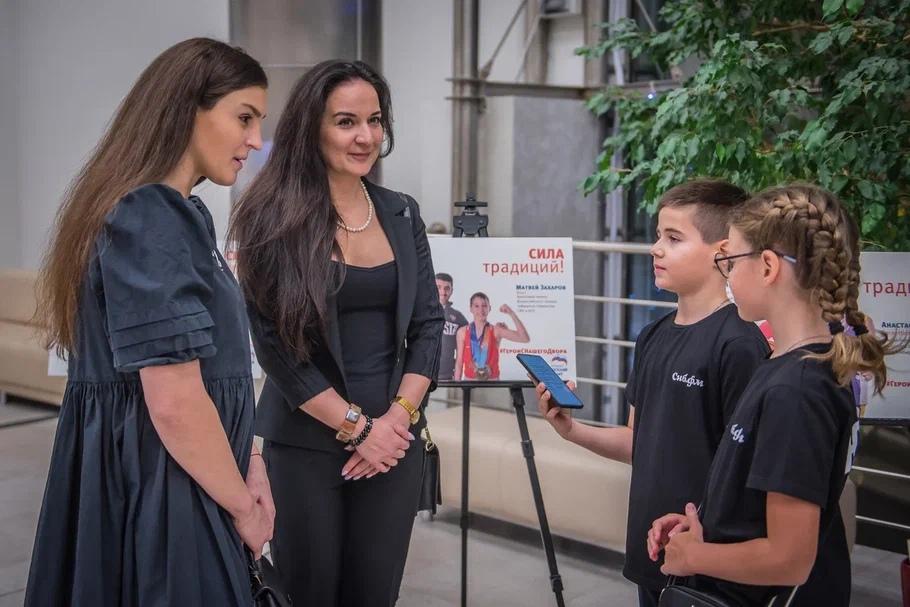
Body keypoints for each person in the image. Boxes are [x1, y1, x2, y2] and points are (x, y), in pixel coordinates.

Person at [27, 38, 273, 605]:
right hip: (168, 490)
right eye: (244, 118)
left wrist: (252, 464)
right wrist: (244, 508)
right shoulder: (150, 215)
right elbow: (174, 401)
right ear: (189, 107)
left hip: (187, 476)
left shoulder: (174, 212)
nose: (255, 141)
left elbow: (213, 373)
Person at [228, 60, 444, 606]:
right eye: (346, 121)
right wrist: (357, 429)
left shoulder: (400, 212)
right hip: (305, 443)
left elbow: (427, 325)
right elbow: (276, 349)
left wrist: (395, 423)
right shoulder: (270, 217)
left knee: (375, 594)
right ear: (312, 127)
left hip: (393, 448)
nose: (366, 136)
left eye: (375, 120)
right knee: (309, 593)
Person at [649, 183, 904, 606]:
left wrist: (697, 555)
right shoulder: (796, 367)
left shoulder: (797, 391)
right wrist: (708, 527)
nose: (726, 273)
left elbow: (789, 558)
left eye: (730, 260)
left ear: (767, 267)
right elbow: (763, 510)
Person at [535, 179, 769, 607]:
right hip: (653, 550)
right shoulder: (652, 337)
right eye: (658, 235)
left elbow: (747, 471)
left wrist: (707, 544)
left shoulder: (740, 344)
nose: (654, 248)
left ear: (722, 252)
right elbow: (637, 442)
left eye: (673, 238)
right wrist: (572, 430)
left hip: (709, 564)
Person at [454, 293, 529, 380]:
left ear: (489, 308)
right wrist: (457, 387)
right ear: (471, 308)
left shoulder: (496, 330)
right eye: (476, 306)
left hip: (492, 382)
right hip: (469, 382)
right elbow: (459, 362)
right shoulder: (462, 332)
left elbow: (524, 338)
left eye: (484, 306)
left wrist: (511, 313)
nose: (481, 310)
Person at [436, 272, 468, 381]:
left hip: (447, 375)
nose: (443, 292)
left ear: (451, 291)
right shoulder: (421, 311)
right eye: (438, 287)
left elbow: (472, 337)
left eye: (447, 288)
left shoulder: (458, 317)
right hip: (422, 374)